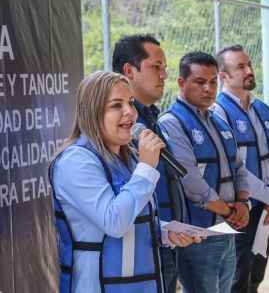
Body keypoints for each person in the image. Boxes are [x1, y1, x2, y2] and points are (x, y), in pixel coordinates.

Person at [49, 71, 201, 293]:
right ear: (93, 112)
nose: (130, 112)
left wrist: (166, 232)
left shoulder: (130, 158)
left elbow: (132, 216)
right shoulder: (76, 161)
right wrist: (147, 168)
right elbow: (114, 222)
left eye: (130, 102)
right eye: (116, 106)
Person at [159, 51, 250, 293]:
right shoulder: (171, 123)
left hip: (227, 230)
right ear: (181, 83)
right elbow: (190, 181)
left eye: (213, 82)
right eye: (200, 82)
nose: (208, 88)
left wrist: (242, 202)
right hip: (198, 236)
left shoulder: (218, 120)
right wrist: (230, 211)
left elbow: (239, 167)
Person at [112, 34, 186, 293]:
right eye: (156, 67)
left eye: (165, 68)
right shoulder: (121, 132)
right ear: (129, 71)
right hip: (139, 250)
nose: (164, 75)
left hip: (166, 239)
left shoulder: (152, 120)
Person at [214, 44, 269, 293]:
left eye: (250, 65)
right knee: (238, 278)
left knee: (256, 274)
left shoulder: (263, 109)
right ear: (223, 76)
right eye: (240, 67)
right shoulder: (218, 114)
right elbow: (236, 169)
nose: (249, 70)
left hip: (266, 208)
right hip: (240, 209)